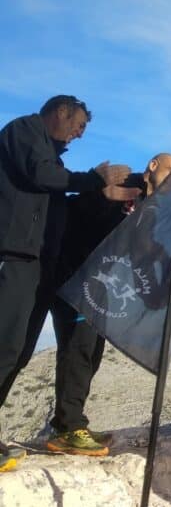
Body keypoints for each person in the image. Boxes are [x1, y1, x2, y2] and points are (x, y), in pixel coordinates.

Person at [0, 95, 134, 472]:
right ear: (61, 111)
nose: (79, 134)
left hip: (41, 266)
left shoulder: (54, 161)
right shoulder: (25, 131)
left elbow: (64, 201)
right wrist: (93, 179)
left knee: (17, 352)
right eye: (79, 125)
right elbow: (41, 174)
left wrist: (105, 195)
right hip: (15, 258)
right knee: (4, 345)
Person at [44, 153, 171, 456]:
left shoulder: (150, 208)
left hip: (98, 285)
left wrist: (157, 289)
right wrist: (102, 196)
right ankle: (68, 428)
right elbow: (74, 211)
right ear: (153, 166)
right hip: (72, 277)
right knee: (78, 349)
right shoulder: (119, 182)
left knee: (92, 353)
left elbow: (142, 252)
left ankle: (70, 423)